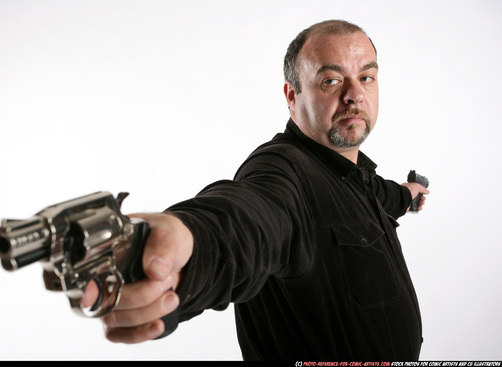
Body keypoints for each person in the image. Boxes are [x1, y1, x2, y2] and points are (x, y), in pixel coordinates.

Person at [83, 19, 430, 360]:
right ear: (292, 96)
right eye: (331, 80)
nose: (355, 94)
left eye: (366, 77)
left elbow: (385, 196)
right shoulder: (283, 170)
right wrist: (188, 246)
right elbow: (251, 219)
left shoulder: (360, 176)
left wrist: (409, 193)